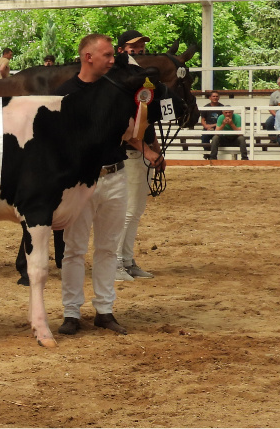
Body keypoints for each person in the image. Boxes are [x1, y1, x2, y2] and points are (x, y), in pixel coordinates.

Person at [56, 33, 163, 338]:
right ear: (87, 56)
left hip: (115, 175)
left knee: (107, 249)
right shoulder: (65, 94)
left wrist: (146, 150)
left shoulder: (116, 90)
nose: (112, 59)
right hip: (80, 181)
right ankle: (71, 312)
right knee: (74, 249)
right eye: (106, 55)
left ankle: (105, 310)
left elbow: (129, 130)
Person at [114, 29, 160, 282]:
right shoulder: (123, 80)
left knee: (136, 210)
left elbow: (147, 120)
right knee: (128, 210)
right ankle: (117, 262)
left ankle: (128, 260)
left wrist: (155, 149)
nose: (140, 49)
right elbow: (124, 123)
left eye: (141, 45)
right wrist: (146, 149)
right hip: (129, 153)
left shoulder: (141, 80)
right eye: (134, 46)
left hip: (142, 152)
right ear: (122, 49)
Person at [265, 77, 280, 144]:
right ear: (279, 84)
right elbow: (270, 108)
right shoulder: (274, 94)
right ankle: (273, 138)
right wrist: (275, 115)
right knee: (269, 122)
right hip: (277, 115)